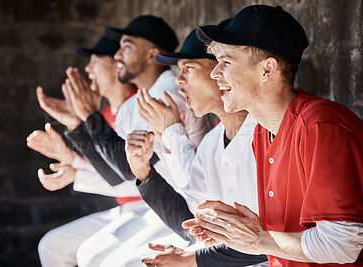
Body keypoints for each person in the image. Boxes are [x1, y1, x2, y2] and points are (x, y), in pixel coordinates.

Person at [182, 5, 363, 266]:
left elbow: (343, 244)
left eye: (226, 62)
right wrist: (236, 228)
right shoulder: (261, 131)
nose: (214, 73)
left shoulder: (320, 126)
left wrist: (258, 238)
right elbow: (283, 235)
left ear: (267, 70)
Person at [60, 15, 211, 266]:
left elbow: (126, 170)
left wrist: (87, 116)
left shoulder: (167, 92)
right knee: (90, 255)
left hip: (183, 209)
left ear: (153, 54)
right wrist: (80, 123)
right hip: (165, 206)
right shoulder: (139, 99)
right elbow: (116, 174)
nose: (117, 55)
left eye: (127, 47)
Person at [124, 26, 268, 267]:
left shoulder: (266, 133)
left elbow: (267, 240)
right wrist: (144, 173)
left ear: (221, 71)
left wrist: (193, 259)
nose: (179, 80)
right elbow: (190, 218)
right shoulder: (213, 141)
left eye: (189, 69)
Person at [27, 36, 149, 267]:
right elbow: (109, 170)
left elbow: (131, 177)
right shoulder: (106, 114)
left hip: (149, 204)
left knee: (93, 256)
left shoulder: (140, 106)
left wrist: (76, 168)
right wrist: (69, 158)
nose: (88, 69)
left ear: (118, 64)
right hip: (127, 206)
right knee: (51, 245)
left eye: (95, 61)